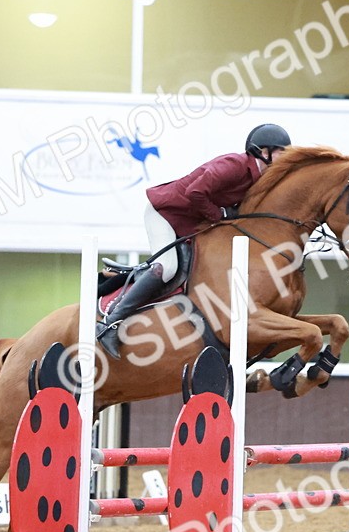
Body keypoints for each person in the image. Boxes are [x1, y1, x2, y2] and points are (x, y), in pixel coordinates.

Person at [96, 123, 292, 357]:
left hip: (189, 222)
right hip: (165, 213)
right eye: (282, 151)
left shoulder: (258, 178)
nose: (285, 157)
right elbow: (195, 192)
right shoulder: (234, 165)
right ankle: (111, 323)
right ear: (264, 151)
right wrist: (219, 215)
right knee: (167, 268)